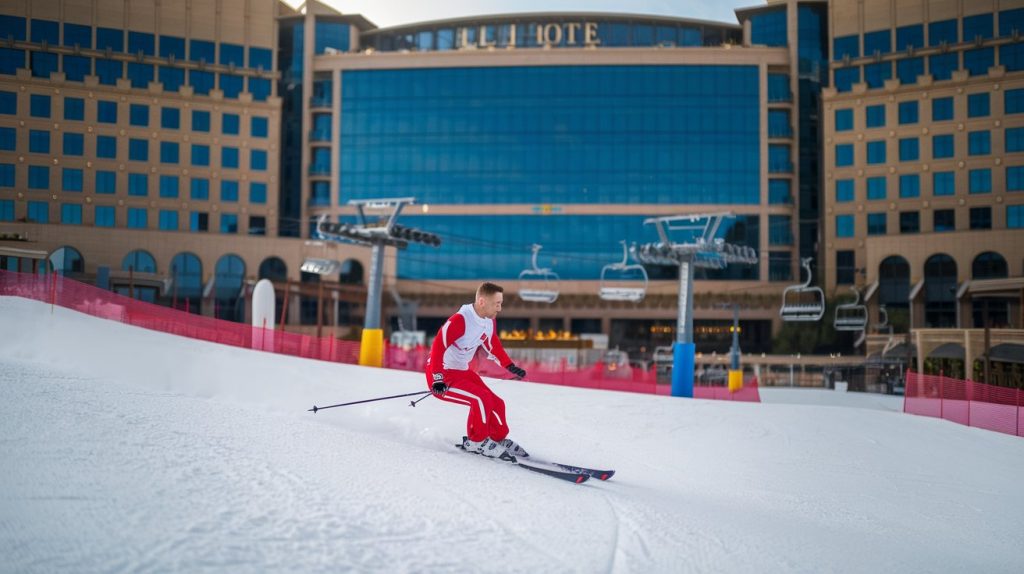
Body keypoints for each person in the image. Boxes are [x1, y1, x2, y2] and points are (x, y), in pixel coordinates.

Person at [425, 282, 529, 459]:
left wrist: (508, 365)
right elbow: (437, 348)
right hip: (443, 375)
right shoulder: (460, 320)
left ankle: (497, 438)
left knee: (497, 403)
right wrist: (438, 379)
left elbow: (492, 344)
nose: (500, 308)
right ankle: (477, 441)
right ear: (482, 302)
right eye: (497, 303)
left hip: (462, 371)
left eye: (500, 303)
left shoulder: (488, 321)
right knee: (481, 399)